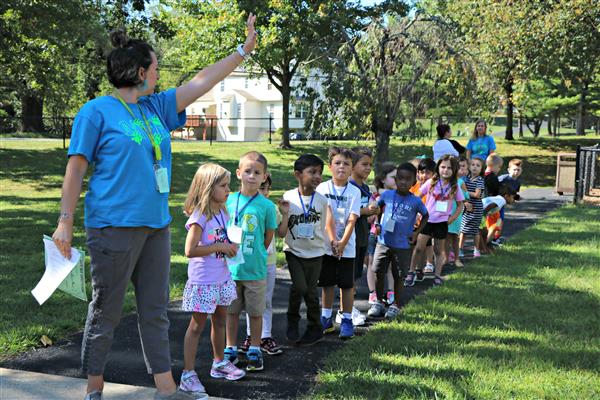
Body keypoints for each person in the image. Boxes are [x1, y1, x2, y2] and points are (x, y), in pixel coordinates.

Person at [51, 15, 257, 400]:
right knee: (106, 311)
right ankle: (94, 388)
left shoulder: (156, 108)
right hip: (113, 227)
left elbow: (202, 81)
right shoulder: (96, 111)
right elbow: (76, 167)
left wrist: (242, 51)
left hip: (156, 227)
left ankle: (166, 388)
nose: (160, 73)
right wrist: (65, 222)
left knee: (155, 311)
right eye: (157, 67)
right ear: (141, 71)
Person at [179, 164, 245, 399]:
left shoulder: (222, 211)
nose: (229, 190)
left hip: (221, 277)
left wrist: (231, 246)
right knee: (196, 326)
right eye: (224, 185)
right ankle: (187, 375)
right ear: (208, 188)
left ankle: (219, 363)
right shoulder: (199, 216)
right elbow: (189, 250)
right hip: (204, 281)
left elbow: (222, 238)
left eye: (228, 185)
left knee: (220, 320)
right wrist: (219, 246)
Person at [224, 151, 277, 372]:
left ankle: (255, 348)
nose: (252, 176)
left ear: (264, 177)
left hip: (255, 269)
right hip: (229, 269)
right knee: (231, 311)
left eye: (257, 173)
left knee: (256, 312)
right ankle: (230, 347)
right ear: (238, 174)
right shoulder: (228, 199)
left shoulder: (267, 206)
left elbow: (268, 235)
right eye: (247, 171)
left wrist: (256, 253)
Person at [367, 163, 428, 319]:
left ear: (414, 182)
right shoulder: (387, 195)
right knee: (378, 271)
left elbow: (426, 215)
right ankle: (378, 302)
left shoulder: (415, 201)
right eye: (400, 178)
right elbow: (377, 208)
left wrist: (416, 233)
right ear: (396, 179)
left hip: (402, 245)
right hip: (383, 242)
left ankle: (396, 305)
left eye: (408, 179)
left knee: (399, 275)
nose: (403, 182)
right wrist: (377, 224)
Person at [283, 154, 332, 346]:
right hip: (293, 251)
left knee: (310, 292)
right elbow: (284, 223)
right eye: (312, 172)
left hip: (316, 253)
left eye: (319, 172)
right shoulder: (288, 197)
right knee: (300, 287)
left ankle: (314, 328)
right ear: (298, 174)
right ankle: (292, 320)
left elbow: (323, 226)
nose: (317, 176)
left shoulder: (321, 200)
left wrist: (331, 243)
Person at [239, 174, 289, 356]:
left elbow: (282, 233)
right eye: (260, 188)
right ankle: (251, 336)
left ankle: (265, 336)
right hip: (246, 262)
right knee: (248, 301)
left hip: (267, 263)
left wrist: (284, 215)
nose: (263, 192)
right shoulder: (241, 206)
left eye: (265, 188)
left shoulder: (270, 209)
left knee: (265, 300)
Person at [316, 147, 361, 340]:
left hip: (347, 246)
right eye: (337, 163)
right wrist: (334, 241)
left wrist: (342, 243)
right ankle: (325, 318)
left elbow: (352, 219)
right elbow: (327, 216)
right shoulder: (323, 188)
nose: (341, 167)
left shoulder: (355, 192)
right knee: (326, 283)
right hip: (326, 245)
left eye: (346, 164)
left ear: (352, 169)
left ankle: (347, 319)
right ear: (330, 166)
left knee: (346, 284)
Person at [406, 155, 465, 286]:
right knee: (419, 247)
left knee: (438, 251)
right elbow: (418, 196)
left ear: (454, 170)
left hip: (442, 223)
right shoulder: (431, 182)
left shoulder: (455, 186)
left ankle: (437, 275)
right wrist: (416, 213)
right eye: (443, 167)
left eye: (449, 168)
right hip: (427, 221)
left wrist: (452, 218)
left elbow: (460, 205)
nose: (445, 170)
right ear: (438, 168)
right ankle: (411, 272)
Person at [345, 146, 377, 327]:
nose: (368, 168)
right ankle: (346, 311)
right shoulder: (348, 186)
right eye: (364, 164)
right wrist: (365, 210)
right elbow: (345, 212)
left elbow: (367, 212)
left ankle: (349, 309)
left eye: (370, 165)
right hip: (350, 237)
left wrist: (374, 212)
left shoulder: (365, 187)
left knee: (356, 274)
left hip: (362, 236)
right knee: (348, 277)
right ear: (353, 165)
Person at [367, 162, 398, 305]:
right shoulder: (375, 196)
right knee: (373, 264)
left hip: (393, 234)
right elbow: (369, 218)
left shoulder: (401, 195)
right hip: (376, 233)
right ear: (383, 179)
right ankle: (373, 293)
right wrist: (377, 206)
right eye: (393, 177)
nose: (397, 180)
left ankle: (391, 292)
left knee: (391, 265)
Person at [408, 158, 436, 282]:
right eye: (422, 172)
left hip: (427, 222)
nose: (424, 176)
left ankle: (415, 269)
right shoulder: (415, 187)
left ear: (434, 174)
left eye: (428, 173)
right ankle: (414, 268)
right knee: (414, 247)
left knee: (422, 247)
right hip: (413, 222)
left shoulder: (434, 188)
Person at [459, 157, 485, 259]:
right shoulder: (467, 178)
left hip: (476, 207)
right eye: (473, 165)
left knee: (475, 230)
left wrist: (464, 192)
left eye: (478, 165)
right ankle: (460, 249)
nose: (475, 167)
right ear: (469, 167)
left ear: (481, 169)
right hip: (466, 206)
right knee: (463, 228)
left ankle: (476, 249)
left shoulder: (479, 180)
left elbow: (477, 194)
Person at [447, 156, 470, 268]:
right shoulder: (445, 181)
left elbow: (466, 196)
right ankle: (445, 258)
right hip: (445, 212)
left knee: (454, 236)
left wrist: (464, 197)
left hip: (456, 211)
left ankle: (456, 258)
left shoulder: (460, 182)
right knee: (445, 237)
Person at [481, 184, 518, 250]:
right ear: (506, 196)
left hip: (479, 211)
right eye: (513, 197)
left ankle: (485, 245)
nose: (514, 200)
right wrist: (483, 214)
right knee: (481, 231)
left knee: (489, 230)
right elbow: (491, 205)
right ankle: (483, 246)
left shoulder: (499, 199)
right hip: (478, 212)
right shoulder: (501, 201)